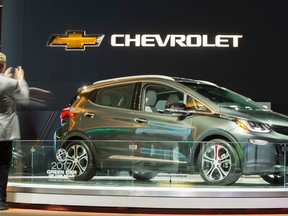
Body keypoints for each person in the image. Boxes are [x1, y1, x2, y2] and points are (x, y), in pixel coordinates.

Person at [0, 52, 29, 211]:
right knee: (3, 166)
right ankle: (1, 201)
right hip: (4, 132)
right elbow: (24, 97)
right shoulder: (11, 83)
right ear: (3, 65)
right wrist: (20, 80)